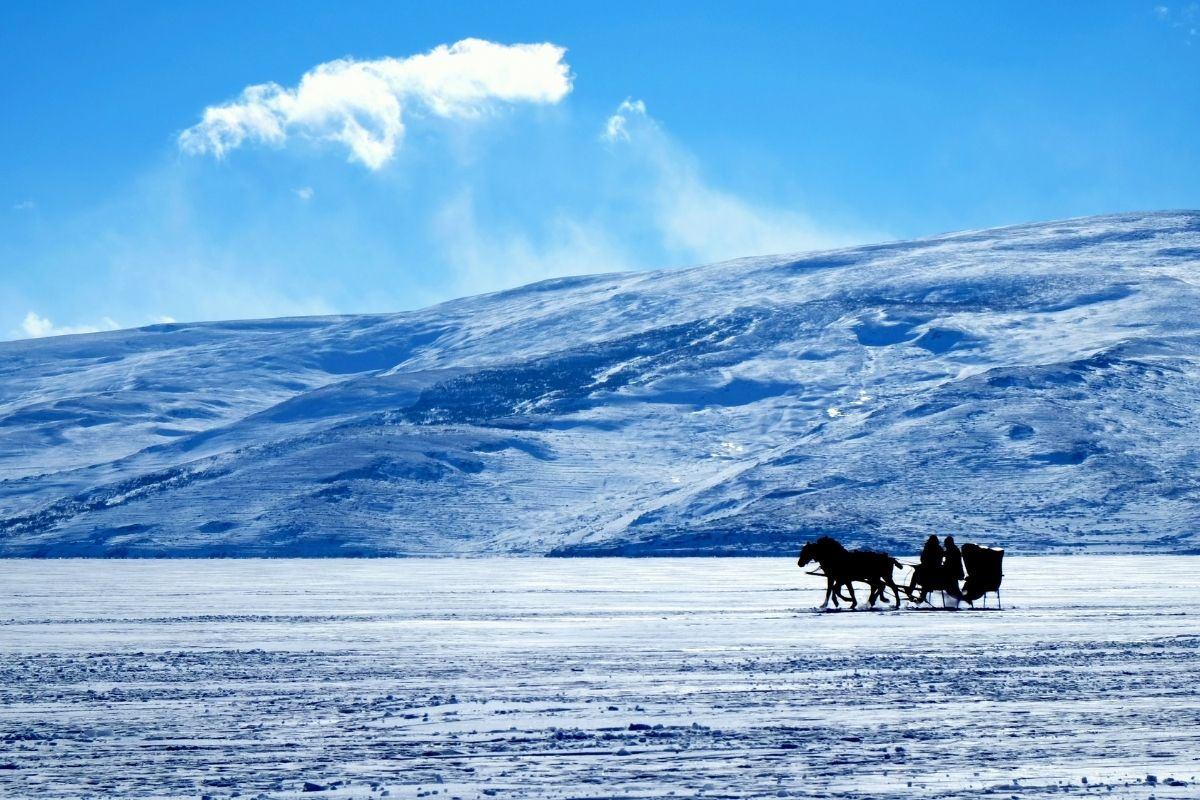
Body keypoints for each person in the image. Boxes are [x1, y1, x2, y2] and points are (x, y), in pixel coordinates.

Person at [906, 535, 944, 601]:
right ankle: (920, 594)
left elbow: (923, 559)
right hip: (937, 568)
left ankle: (911, 591)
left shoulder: (928, 547)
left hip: (929, 568)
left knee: (915, 575)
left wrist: (922, 564)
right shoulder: (939, 548)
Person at [942, 535, 964, 599]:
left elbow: (950, 562)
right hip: (956, 571)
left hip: (954, 572)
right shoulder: (954, 549)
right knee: (954, 587)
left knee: (953, 586)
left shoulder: (952, 550)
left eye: (946, 543)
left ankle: (959, 596)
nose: (945, 545)